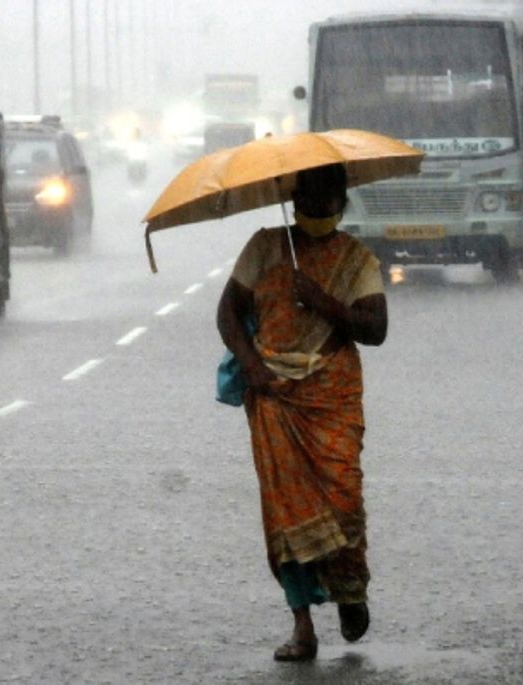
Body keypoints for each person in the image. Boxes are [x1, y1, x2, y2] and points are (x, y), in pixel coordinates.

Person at [216, 163, 388, 662]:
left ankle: (350, 590)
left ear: (342, 203)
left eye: (329, 203)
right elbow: (227, 313)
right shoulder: (266, 247)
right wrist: (255, 370)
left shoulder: (356, 261)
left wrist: (322, 301)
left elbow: (375, 329)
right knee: (285, 514)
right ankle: (302, 625)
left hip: (331, 397)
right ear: (294, 201)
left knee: (343, 498)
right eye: (310, 202)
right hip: (273, 398)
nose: (319, 211)